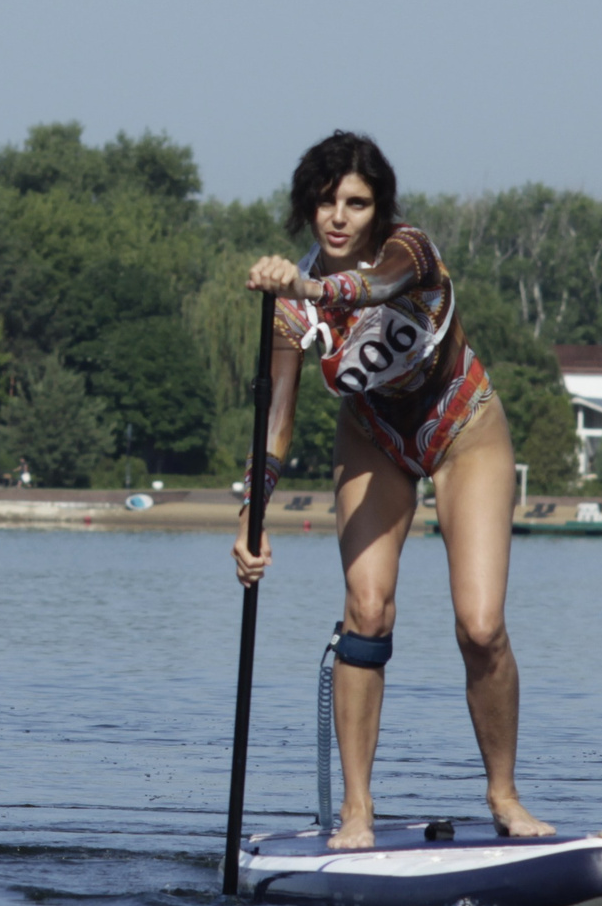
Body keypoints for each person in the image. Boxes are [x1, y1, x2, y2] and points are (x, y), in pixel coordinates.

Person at [230, 130, 551, 850]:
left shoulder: (411, 250)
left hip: (462, 426)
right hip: (373, 435)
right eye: (325, 202)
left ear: (379, 208)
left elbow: (366, 290)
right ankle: (357, 811)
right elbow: (276, 423)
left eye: (356, 201)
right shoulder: (292, 310)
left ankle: (504, 795)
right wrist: (252, 515)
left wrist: (306, 286)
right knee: (366, 609)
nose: (338, 217)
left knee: (480, 626)